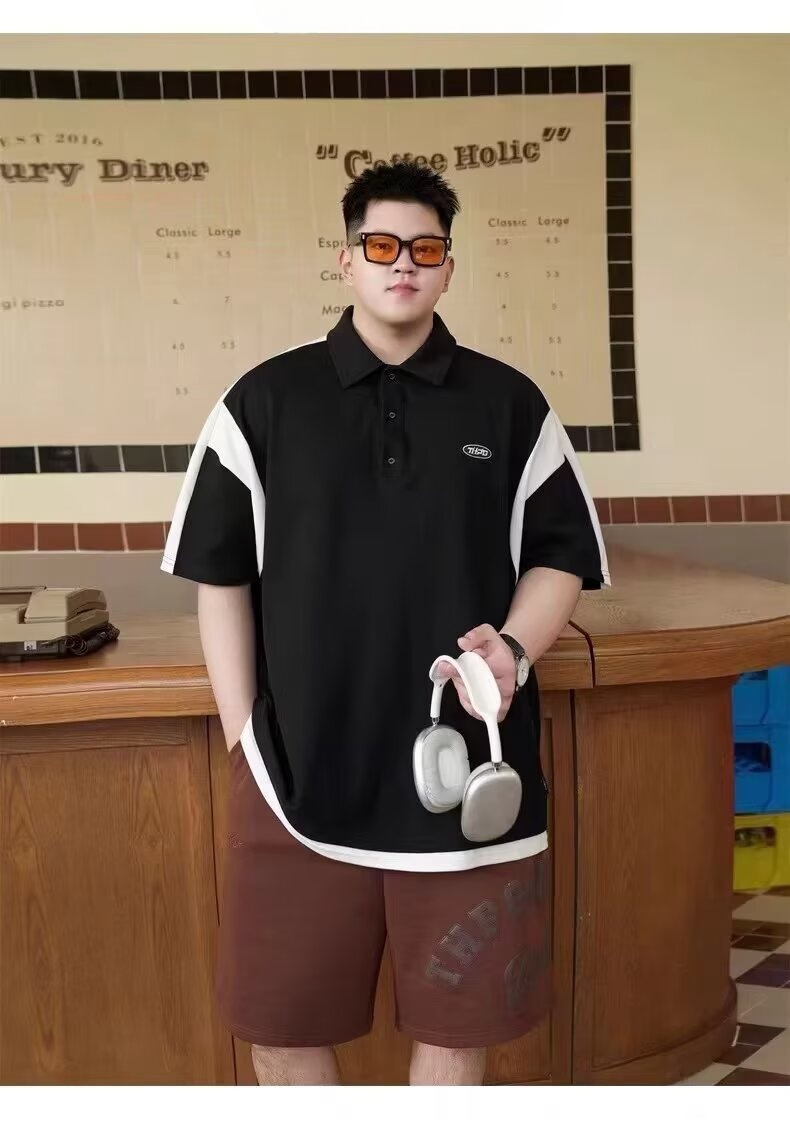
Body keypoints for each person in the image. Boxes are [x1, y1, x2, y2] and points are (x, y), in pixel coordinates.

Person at [161, 161, 610, 1085]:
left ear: (449, 268)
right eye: (380, 245)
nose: (403, 263)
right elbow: (220, 579)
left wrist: (515, 647)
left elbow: (560, 555)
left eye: (425, 249)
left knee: (456, 1029)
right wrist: (245, 740)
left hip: (467, 773)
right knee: (278, 1026)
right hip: (297, 771)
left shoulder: (510, 406)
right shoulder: (262, 403)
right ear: (347, 261)